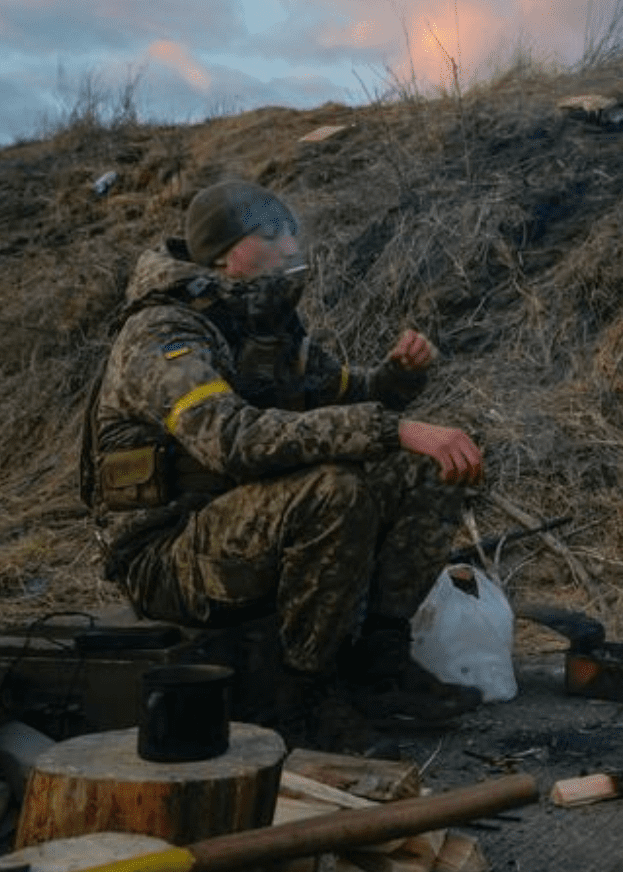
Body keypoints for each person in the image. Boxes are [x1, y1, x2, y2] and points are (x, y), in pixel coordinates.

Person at [81, 179, 487, 746]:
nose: (291, 246)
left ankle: (380, 661)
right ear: (227, 253)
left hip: (232, 524)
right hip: (165, 551)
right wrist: (392, 427)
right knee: (334, 490)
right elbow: (234, 439)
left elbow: (342, 394)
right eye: (271, 234)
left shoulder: (263, 325)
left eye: (290, 232)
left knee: (422, 471)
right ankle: (300, 698)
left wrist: (397, 379)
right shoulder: (164, 332)